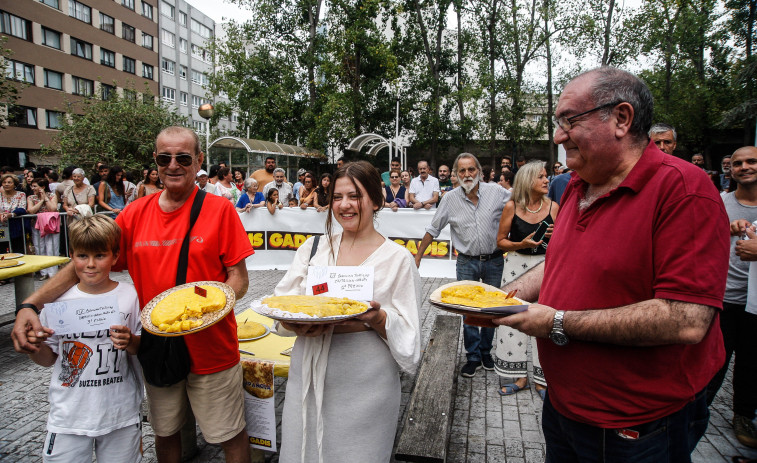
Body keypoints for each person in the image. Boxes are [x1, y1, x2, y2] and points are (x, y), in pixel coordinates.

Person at [492, 67, 729, 462]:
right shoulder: (576, 187)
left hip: (637, 425)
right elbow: (559, 265)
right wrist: (498, 300)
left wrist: (556, 322)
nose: (557, 135)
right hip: (565, 407)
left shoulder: (683, 190)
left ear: (621, 118)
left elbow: (687, 318)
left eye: (570, 120)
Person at [13, 126, 254, 463]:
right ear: (155, 161)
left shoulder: (220, 210)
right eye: (164, 158)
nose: (173, 165)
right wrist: (30, 304)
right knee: (165, 431)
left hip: (212, 347)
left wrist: (210, 308)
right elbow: (83, 262)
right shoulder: (135, 214)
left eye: (183, 157)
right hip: (155, 346)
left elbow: (238, 279)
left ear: (198, 160)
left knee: (229, 434)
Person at [273, 160, 421, 463]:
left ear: (376, 200)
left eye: (355, 196)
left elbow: (410, 338)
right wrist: (297, 324)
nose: (345, 205)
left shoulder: (397, 259)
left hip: (365, 385)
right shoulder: (314, 249)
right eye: (338, 197)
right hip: (308, 376)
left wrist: (379, 318)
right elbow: (281, 303)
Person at [25, 215, 143, 462]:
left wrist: (130, 340)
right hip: (69, 414)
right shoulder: (57, 302)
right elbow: (49, 359)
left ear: (115, 256)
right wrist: (34, 346)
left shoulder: (130, 296)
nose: (90, 264)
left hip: (119, 412)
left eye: (100, 256)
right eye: (82, 256)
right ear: (72, 255)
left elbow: (141, 347)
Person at [415, 153, 507, 377]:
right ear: (456, 174)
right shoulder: (449, 199)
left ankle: (486, 352)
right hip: (467, 262)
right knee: (467, 310)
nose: (467, 175)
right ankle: (473, 357)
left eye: (471, 170)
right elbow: (433, 229)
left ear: (479, 172)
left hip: (494, 260)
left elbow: (520, 202)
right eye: (462, 171)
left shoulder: (497, 192)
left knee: (491, 309)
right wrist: (417, 258)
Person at [492, 161, 559, 399]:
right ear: (528, 180)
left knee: (544, 320)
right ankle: (520, 377)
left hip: (545, 268)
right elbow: (500, 242)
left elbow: (564, 244)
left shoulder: (554, 207)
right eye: (540, 176)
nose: (546, 180)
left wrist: (556, 236)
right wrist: (522, 243)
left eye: (546, 175)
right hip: (515, 268)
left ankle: (542, 380)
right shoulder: (512, 206)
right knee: (513, 318)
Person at [709, 146, 757, 448]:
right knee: (716, 360)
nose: (743, 167)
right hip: (723, 296)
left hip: (755, 304)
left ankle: (742, 414)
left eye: (751, 161)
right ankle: (698, 408)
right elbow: (701, 235)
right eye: (737, 163)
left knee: (751, 362)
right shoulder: (720, 202)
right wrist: (725, 229)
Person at [27, 178, 59, 280]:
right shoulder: (31, 198)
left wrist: (45, 198)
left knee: (52, 248)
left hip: (51, 225)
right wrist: (41, 201)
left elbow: (53, 208)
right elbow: (31, 210)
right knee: (39, 247)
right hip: (36, 225)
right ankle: (43, 271)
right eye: (32, 186)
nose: (33, 188)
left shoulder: (52, 196)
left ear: (43, 187)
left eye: (35, 186)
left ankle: (53, 273)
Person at [0, 173, 27, 253]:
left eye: (9, 182)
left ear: (14, 184)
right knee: (3, 250)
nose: (6, 184)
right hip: (2, 228)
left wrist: (11, 214)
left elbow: (22, 208)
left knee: (18, 250)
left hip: (16, 226)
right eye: (4, 182)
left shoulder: (21, 194)